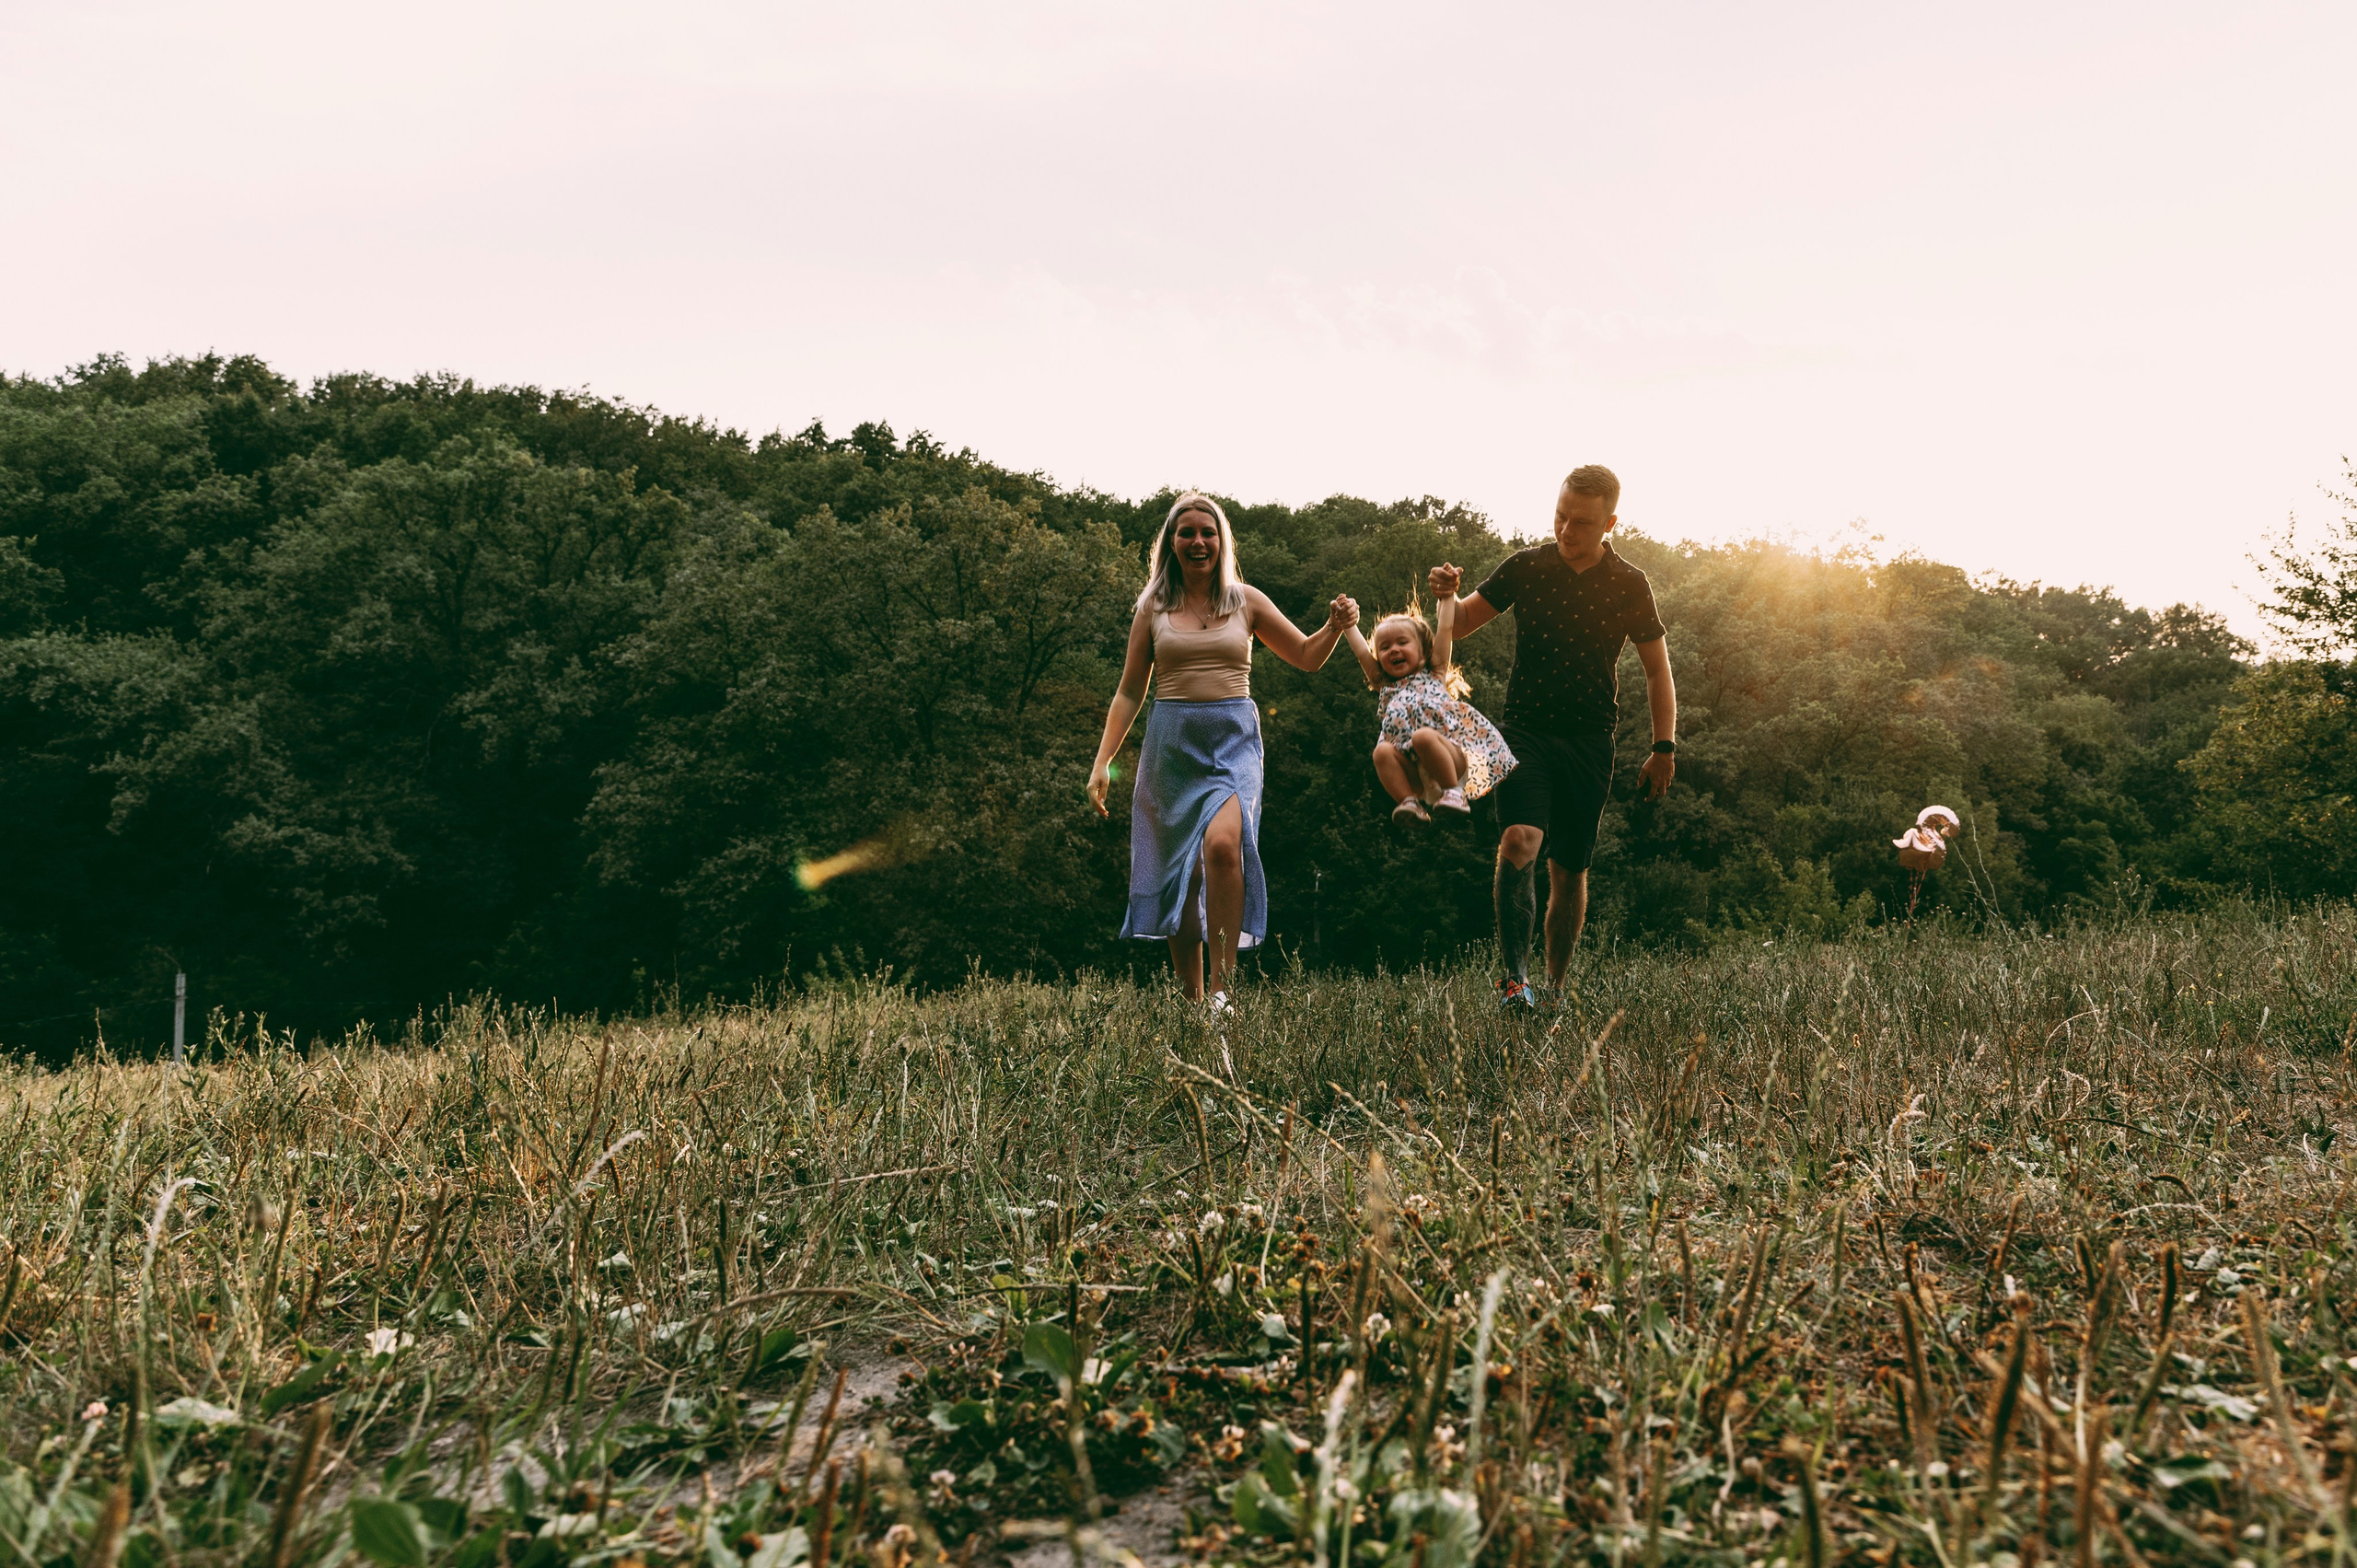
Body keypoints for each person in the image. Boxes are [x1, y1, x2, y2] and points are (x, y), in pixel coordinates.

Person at [1088, 493, 1357, 1011]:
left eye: (1207, 533)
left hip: (1233, 743)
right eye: (1186, 533)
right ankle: (1193, 1005)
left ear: (1221, 541)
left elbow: (1306, 656)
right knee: (1181, 877)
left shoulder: (1246, 601)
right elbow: (1129, 691)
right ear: (1171, 543)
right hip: (1172, 748)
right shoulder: (1153, 607)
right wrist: (1103, 762)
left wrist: (1334, 626)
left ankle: (1221, 994)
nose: (1198, 542)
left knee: (1223, 847)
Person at [1428, 465, 1677, 1008]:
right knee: (1519, 840)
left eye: (1581, 523)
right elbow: (1460, 622)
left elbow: (1658, 669)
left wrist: (1663, 748)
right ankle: (1515, 983)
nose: (1566, 530)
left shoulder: (1629, 583)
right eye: (1560, 516)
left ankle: (1555, 989)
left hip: (1591, 740)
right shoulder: (1527, 566)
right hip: (1525, 731)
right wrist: (1447, 594)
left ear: (1609, 523)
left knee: (1568, 870)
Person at [1342, 596, 1516, 825]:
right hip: (1413, 772)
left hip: (1449, 761)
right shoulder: (1386, 686)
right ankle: (1409, 803)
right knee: (1381, 752)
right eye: (1384, 647)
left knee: (1422, 736)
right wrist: (1347, 624)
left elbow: (1445, 628)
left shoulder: (1435, 673)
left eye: (1402, 643)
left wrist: (1447, 596)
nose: (1393, 650)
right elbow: (1361, 653)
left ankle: (1454, 793)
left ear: (1423, 651)